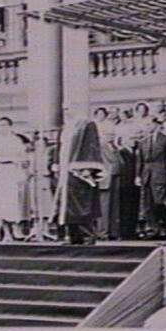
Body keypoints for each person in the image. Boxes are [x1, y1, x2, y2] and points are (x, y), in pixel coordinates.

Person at [56, 102, 104, 245]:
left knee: (82, 202)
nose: (66, 112)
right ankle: (74, 236)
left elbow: (91, 146)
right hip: (67, 169)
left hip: (80, 169)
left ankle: (87, 235)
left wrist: (86, 168)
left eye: (69, 109)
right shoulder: (68, 127)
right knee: (69, 204)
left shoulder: (87, 125)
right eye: (64, 109)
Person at [136, 118, 166, 239]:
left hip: (160, 172)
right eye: (146, 125)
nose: (147, 127)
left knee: (160, 202)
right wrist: (138, 175)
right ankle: (153, 229)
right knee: (147, 204)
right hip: (146, 174)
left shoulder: (165, 139)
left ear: (155, 124)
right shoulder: (143, 141)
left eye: (149, 124)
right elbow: (140, 160)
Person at [119, 134, 141, 239]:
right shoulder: (122, 152)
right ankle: (125, 232)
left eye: (134, 138)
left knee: (133, 208)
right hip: (125, 183)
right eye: (130, 138)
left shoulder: (135, 152)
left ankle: (132, 231)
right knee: (126, 208)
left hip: (134, 184)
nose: (133, 141)